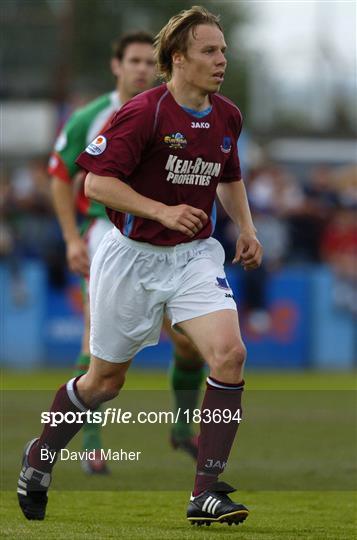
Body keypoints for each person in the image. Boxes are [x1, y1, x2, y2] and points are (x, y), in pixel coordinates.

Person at [18, 6, 262, 527]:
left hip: (194, 255)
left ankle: (205, 493)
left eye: (223, 50)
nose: (222, 60)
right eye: (210, 51)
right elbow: (96, 185)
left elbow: (229, 175)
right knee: (103, 383)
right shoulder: (144, 112)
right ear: (178, 58)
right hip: (131, 259)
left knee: (229, 354)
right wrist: (161, 210)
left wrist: (247, 226)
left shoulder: (227, 115)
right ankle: (40, 455)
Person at [48, 31, 205, 473]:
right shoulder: (90, 117)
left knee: (191, 343)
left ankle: (181, 428)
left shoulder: (172, 111)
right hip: (107, 232)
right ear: (117, 66)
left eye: (145, 62)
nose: (140, 69)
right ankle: (92, 444)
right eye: (132, 61)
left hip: (169, 239)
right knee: (96, 339)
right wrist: (71, 238)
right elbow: (61, 177)